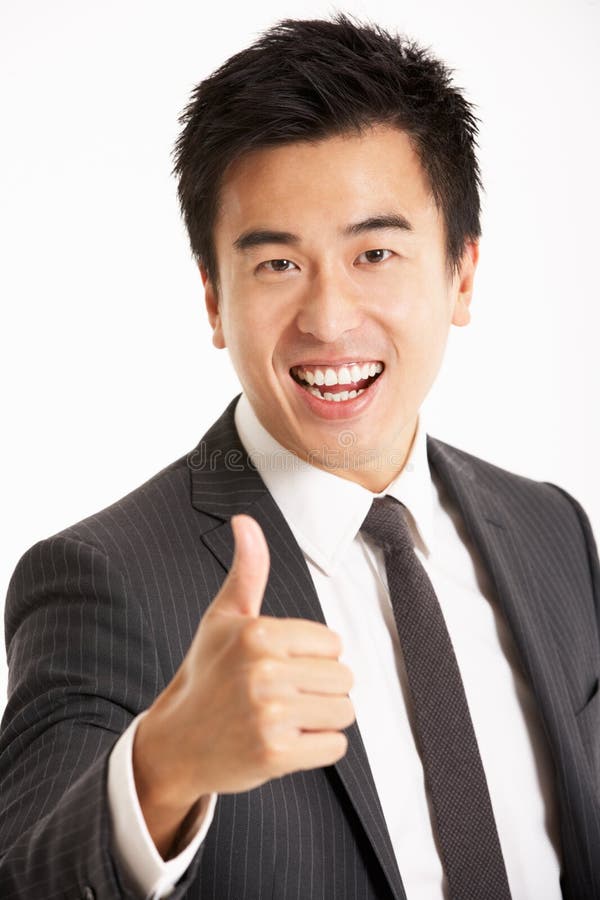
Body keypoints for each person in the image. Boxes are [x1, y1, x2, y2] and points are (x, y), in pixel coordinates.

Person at [1, 13, 598, 900]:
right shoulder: (100, 580)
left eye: (376, 252)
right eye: (278, 264)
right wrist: (160, 772)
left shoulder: (555, 531)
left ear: (462, 273)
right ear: (213, 298)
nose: (328, 319)